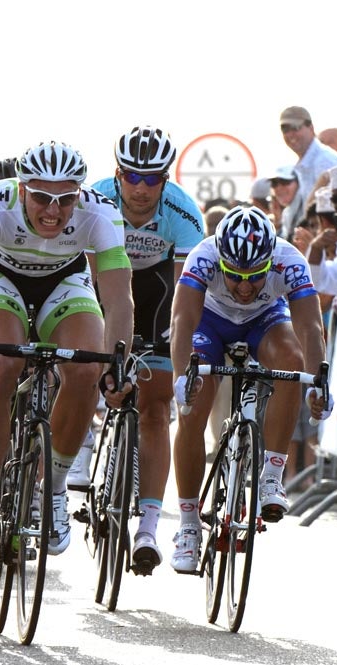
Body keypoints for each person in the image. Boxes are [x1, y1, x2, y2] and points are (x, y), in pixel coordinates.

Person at [0, 141, 134, 565]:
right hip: (2, 280)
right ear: (21, 189)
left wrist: (117, 365)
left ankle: (52, 489)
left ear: (79, 194)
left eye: (65, 199)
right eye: (41, 197)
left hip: (65, 282)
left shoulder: (102, 212)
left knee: (87, 368)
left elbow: (118, 299)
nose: (53, 211)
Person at [169, 206, 330, 573]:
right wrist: (182, 376)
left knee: (291, 361)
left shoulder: (289, 260)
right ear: (221, 261)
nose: (244, 287)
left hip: (264, 320)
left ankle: (271, 476)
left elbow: (310, 328)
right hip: (210, 322)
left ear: (269, 261)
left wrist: (317, 382)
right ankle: (189, 525)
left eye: (256, 277)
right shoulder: (204, 256)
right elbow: (182, 321)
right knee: (193, 406)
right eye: (235, 276)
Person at [87, 126, 205, 570]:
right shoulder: (95, 200)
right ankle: (81, 447)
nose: (140, 187)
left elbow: (185, 294)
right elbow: (82, 277)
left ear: (165, 179)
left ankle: (149, 528)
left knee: (156, 407)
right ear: (117, 173)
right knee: (82, 364)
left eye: (152, 178)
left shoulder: (183, 212)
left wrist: (174, 338)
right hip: (101, 285)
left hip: (157, 292)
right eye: (131, 176)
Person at [279, 105, 337, 230]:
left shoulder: (325, 161)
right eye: (285, 129)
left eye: (295, 128)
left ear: (311, 128)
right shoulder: (306, 163)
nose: (290, 134)